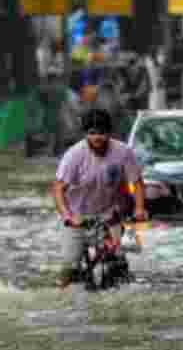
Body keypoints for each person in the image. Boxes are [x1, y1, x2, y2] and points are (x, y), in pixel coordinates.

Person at [52, 107, 147, 288]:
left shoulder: (123, 152)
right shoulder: (74, 155)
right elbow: (58, 189)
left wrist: (139, 208)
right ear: (86, 134)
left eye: (102, 133)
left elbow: (137, 183)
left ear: (109, 133)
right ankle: (59, 292)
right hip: (77, 217)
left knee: (118, 259)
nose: (97, 137)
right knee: (70, 265)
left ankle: (122, 286)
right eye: (92, 133)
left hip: (109, 215)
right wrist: (67, 216)